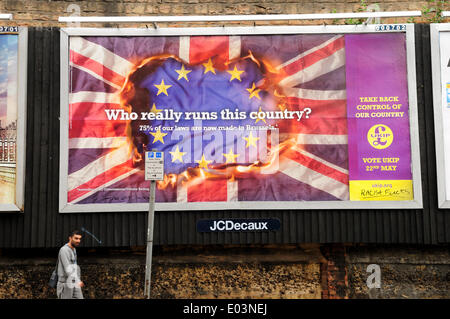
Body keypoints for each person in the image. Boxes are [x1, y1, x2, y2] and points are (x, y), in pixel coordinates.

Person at [56, 229, 84, 299]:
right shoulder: (64, 250)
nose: (78, 241)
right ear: (70, 238)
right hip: (65, 283)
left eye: (79, 239)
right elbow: (67, 268)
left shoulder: (74, 249)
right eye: (76, 238)